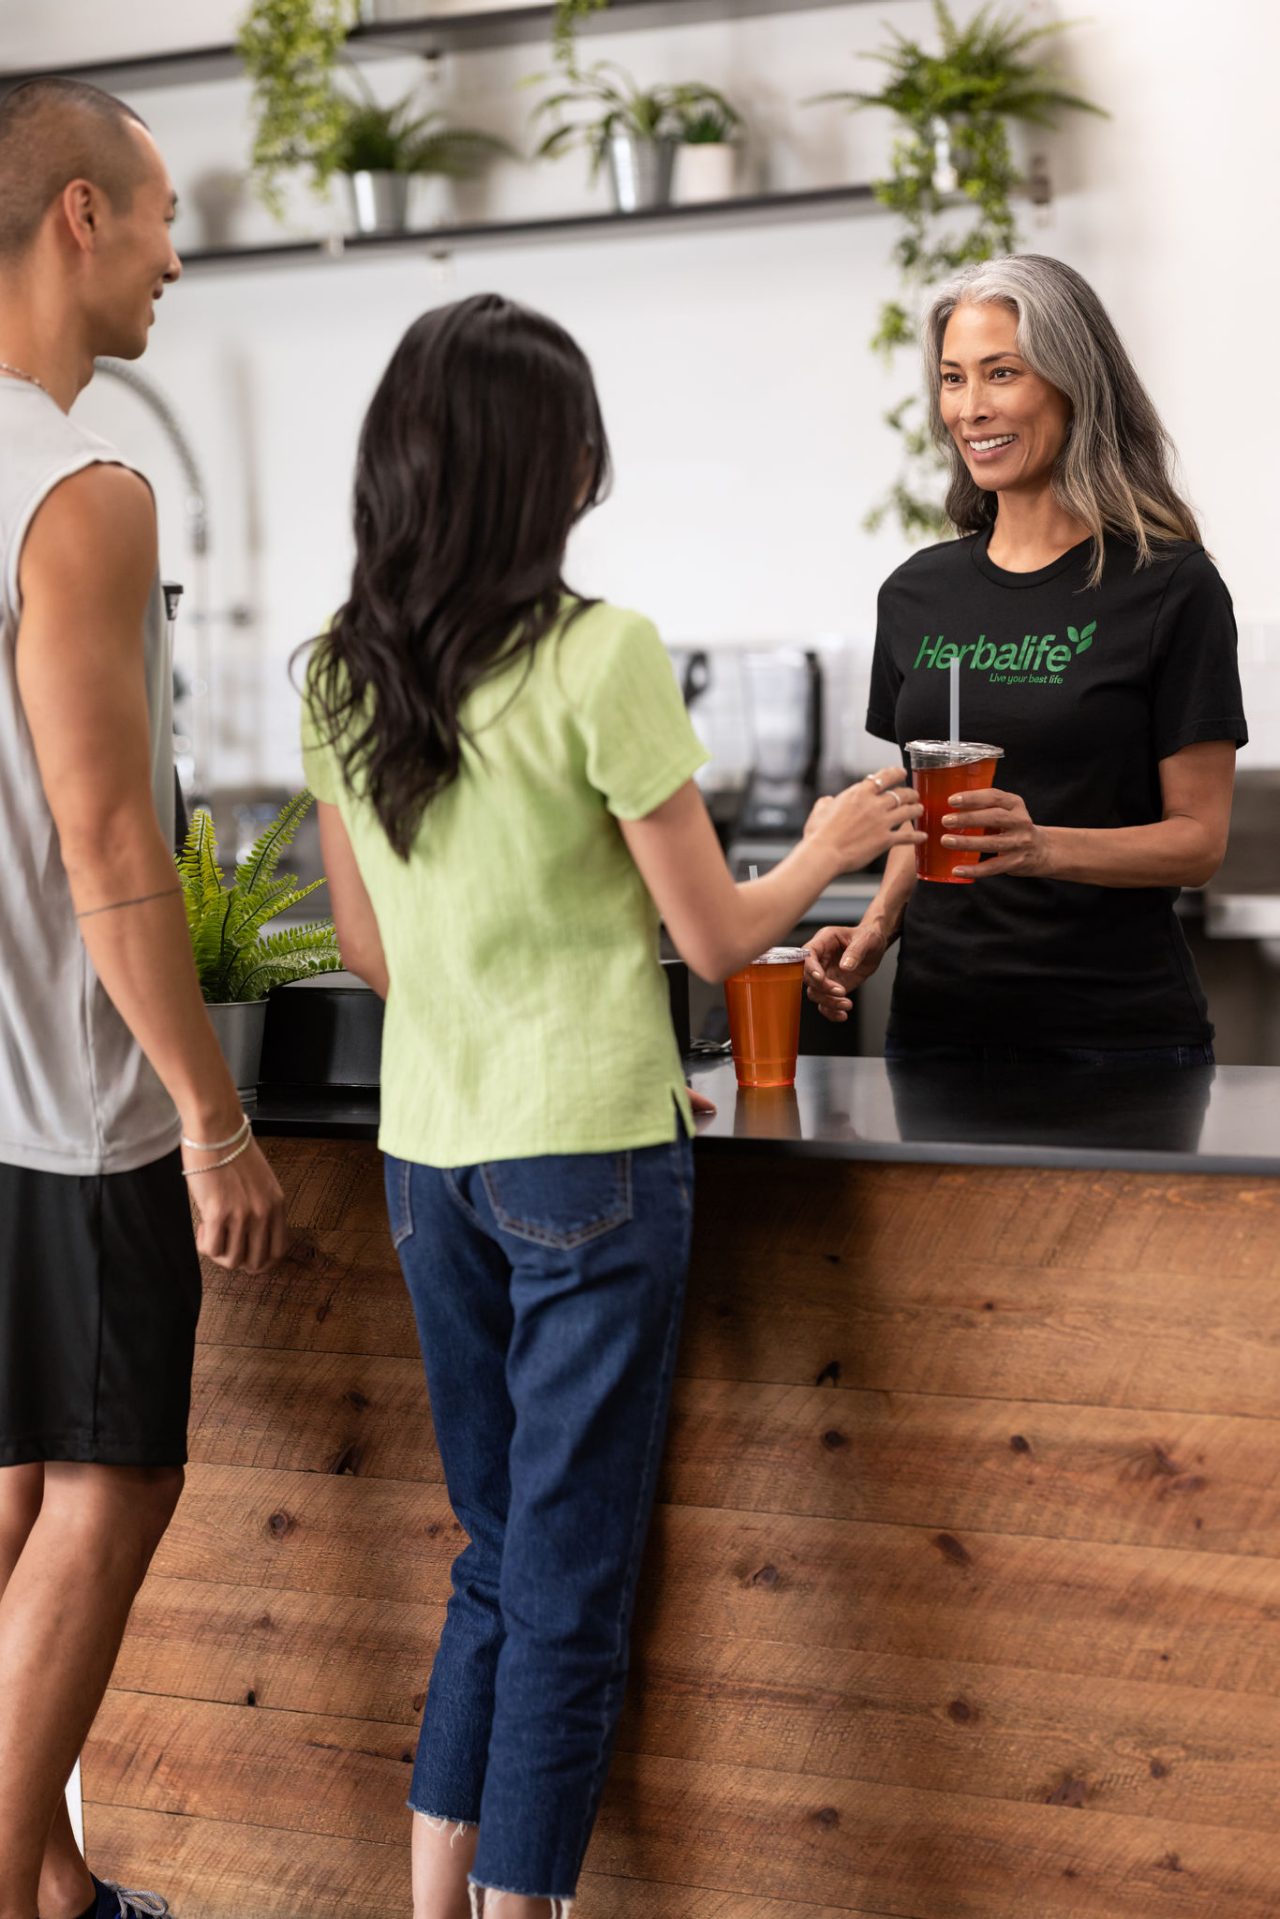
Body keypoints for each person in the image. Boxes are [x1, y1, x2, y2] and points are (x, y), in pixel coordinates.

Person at [301, 291, 922, 1919]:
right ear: (550, 463)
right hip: (584, 1146)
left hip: (429, 1159)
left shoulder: (336, 675)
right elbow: (719, 935)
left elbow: (368, 947)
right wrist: (841, 839)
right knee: (569, 1583)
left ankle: (436, 1899)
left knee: (496, 1555)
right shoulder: (602, 652)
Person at [0, 78, 287, 1919]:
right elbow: (109, 837)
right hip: (64, 1091)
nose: (183, 253)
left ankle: (50, 1882)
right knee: (110, 1490)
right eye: (166, 210)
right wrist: (213, 1112)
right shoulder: (79, 488)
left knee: (18, 1488)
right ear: (78, 216)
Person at [805, 253, 1247, 1067]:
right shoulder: (916, 593)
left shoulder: (1170, 586)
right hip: (937, 1032)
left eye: (1000, 373)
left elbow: (1198, 842)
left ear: (1073, 383)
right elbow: (926, 816)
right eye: (952, 378)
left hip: (1118, 1042)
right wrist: (873, 931)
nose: (971, 409)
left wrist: (1041, 844)